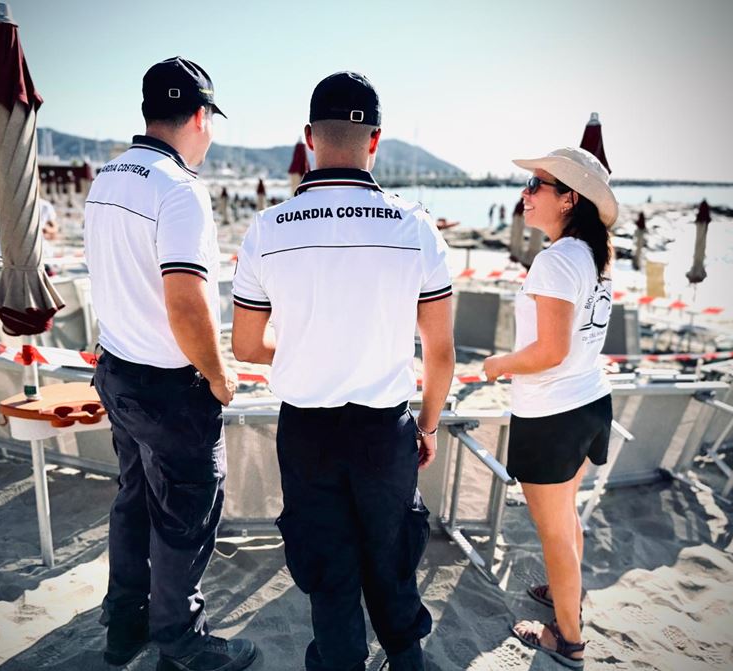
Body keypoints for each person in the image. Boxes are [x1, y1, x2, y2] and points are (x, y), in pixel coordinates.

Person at [231, 71, 455, 671]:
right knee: (392, 556)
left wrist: (307, 348)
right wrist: (428, 427)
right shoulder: (415, 226)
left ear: (309, 137)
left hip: (307, 431)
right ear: (375, 139)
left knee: (328, 566)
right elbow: (440, 352)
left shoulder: (267, 228)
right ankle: (405, 658)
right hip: (385, 430)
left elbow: (247, 345)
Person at [84, 57, 256, 671]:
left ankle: (124, 625)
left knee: (134, 499)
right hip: (167, 384)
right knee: (186, 513)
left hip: (118, 368)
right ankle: (181, 640)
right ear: (201, 116)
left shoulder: (107, 177)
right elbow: (186, 302)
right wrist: (219, 374)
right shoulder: (179, 189)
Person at [482, 147, 617, 669]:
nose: (526, 192)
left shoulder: (557, 260)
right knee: (566, 516)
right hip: (588, 402)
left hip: (553, 414)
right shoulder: (593, 255)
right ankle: (568, 595)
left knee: (555, 532)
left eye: (537, 184)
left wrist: (498, 364)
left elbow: (550, 351)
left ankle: (569, 639)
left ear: (569, 199)